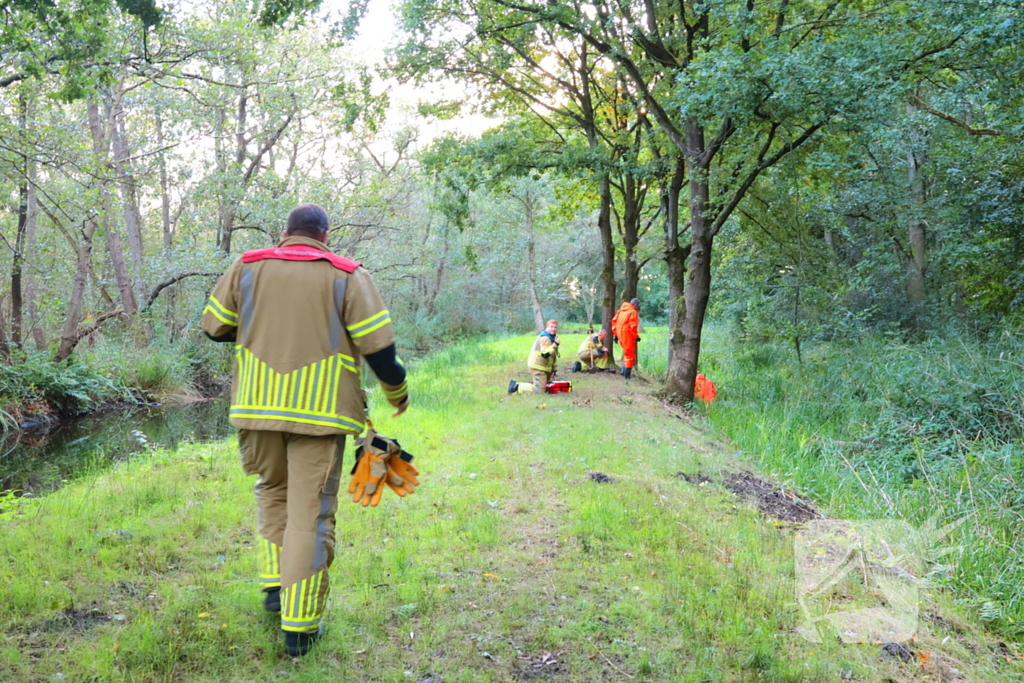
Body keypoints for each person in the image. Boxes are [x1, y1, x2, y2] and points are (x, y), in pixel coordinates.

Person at [201, 204, 409, 657]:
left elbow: (215, 328)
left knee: (272, 492)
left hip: (257, 409)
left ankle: (276, 590)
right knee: (309, 514)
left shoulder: (248, 266)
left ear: (286, 233)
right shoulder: (347, 275)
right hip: (321, 413)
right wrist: (398, 393)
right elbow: (381, 353)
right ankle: (300, 630)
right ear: (325, 235)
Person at [507, 319, 560, 394]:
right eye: (551, 327)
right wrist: (555, 344)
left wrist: (554, 369)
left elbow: (553, 355)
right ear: (546, 327)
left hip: (544, 367)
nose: (553, 329)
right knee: (539, 390)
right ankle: (516, 386)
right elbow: (545, 354)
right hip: (538, 366)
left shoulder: (552, 338)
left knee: (547, 386)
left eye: (555, 327)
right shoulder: (545, 338)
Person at [611, 298, 640, 379]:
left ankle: (623, 371)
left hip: (620, 334)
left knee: (626, 352)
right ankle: (627, 376)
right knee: (630, 354)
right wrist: (636, 336)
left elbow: (614, 323)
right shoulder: (633, 312)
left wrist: (616, 335)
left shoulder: (620, 311)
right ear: (636, 305)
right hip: (627, 334)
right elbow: (633, 326)